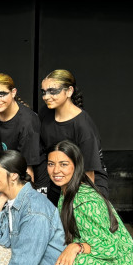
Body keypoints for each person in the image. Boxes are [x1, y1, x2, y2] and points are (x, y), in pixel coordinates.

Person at [39, 69, 109, 204]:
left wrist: (81, 203)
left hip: (85, 183)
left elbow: (89, 174)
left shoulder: (83, 126)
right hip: (58, 179)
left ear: (69, 91)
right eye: (44, 91)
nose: (46, 96)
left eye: (53, 91)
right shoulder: (45, 113)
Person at [0, 73, 47, 191]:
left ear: (13, 92)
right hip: (8, 172)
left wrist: (26, 201)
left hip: (32, 177)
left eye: (1, 94)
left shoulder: (27, 122)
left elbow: (28, 171)